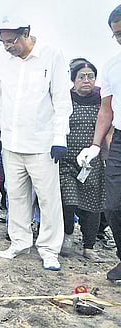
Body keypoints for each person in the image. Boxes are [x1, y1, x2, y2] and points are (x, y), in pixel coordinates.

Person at [0, 16, 72, 271]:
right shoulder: (1, 60)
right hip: (12, 143)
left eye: (11, 41)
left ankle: (48, 249)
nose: (7, 47)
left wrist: (59, 138)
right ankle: (20, 241)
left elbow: (61, 100)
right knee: (16, 196)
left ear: (26, 33)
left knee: (48, 199)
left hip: (43, 144)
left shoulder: (51, 55)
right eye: (2, 42)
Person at [77, 4, 121, 282]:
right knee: (113, 205)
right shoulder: (111, 66)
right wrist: (95, 145)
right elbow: (106, 108)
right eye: (117, 35)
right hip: (120, 140)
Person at [59, 61, 104, 262]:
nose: (86, 80)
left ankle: (89, 246)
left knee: (92, 205)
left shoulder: (103, 100)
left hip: (92, 162)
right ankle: (67, 235)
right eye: (81, 77)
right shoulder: (64, 100)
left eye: (90, 76)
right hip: (67, 160)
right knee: (68, 201)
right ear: (73, 80)